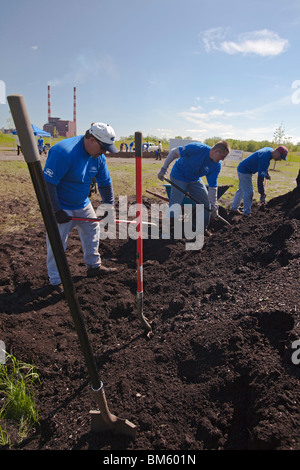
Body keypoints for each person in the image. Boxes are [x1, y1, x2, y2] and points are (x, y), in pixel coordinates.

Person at [43, 122, 118, 290]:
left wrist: (108, 206)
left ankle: (94, 266)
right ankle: (55, 281)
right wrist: (56, 210)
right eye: (103, 147)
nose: (104, 152)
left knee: (92, 229)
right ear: (91, 139)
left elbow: (105, 183)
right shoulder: (63, 152)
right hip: (60, 204)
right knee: (57, 242)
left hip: (82, 202)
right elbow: (48, 184)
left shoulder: (98, 158)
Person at [157, 141, 230, 232]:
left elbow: (213, 187)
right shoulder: (197, 148)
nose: (222, 160)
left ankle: (202, 229)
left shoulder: (216, 165)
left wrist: (214, 206)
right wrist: (164, 169)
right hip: (179, 175)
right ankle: (170, 228)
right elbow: (174, 152)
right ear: (216, 151)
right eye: (222, 157)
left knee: (205, 203)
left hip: (194, 179)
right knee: (176, 202)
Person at [230, 146, 288, 216]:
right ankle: (246, 213)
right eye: (280, 157)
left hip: (243, 167)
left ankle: (234, 209)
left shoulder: (269, 150)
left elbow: (261, 162)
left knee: (242, 190)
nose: (280, 159)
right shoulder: (265, 159)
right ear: (277, 152)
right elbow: (260, 180)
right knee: (249, 192)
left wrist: (266, 172)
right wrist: (262, 193)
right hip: (244, 171)